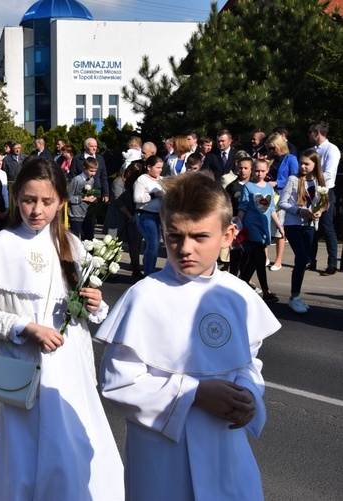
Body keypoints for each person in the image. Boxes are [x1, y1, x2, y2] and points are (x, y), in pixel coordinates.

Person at [94, 172, 281, 500]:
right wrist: (193, 393)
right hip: (166, 453)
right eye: (175, 236)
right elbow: (119, 382)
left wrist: (250, 395)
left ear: (228, 235)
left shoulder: (239, 294)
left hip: (226, 443)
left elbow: (249, 361)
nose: (185, 249)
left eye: (199, 237)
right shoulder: (145, 297)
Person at [0, 157, 123, 500]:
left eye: (47, 202)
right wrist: (26, 327)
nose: (36, 209)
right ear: (16, 197)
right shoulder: (1, 245)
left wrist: (96, 304)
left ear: (61, 203)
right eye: (28, 200)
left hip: (71, 370)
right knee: (28, 458)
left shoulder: (72, 244)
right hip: (26, 370)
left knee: (78, 450)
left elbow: (87, 311)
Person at [279, 150, 328, 314]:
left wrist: (319, 211)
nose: (303, 166)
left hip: (309, 225)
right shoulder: (294, 179)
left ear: (315, 165)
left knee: (304, 260)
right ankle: (294, 297)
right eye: (301, 163)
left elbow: (324, 203)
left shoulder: (319, 181)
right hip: (293, 224)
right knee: (300, 257)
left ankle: (296, 296)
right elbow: (282, 203)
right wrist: (299, 211)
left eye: (307, 163)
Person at [238, 159, 283, 303]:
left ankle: (242, 284)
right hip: (251, 225)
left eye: (262, 171)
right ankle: (264, 291)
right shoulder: (248, 187)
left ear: (267, 171)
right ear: (252, 170)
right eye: (257, 170)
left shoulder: (269, 187)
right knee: (259, 256)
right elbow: (243, 206)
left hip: (264, 226)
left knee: (257, 258)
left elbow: (271, 209)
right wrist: (238, 224)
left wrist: (280, 226)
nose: (259, 174)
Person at [306, 120, 340, 275]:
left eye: (310, 132)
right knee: (311, 226)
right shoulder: (312, 150)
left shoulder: (331, 150)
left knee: (327, 228)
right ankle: (310, 260)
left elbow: (328, 173)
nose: (308, 135)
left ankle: (332, 264)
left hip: (325, 191)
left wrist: (310, 177)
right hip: (311, 190)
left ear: (317, 132)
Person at [265, 133, 298, 272]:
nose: (271, 151)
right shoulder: (269, 160)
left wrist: (277, 183)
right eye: (269, 148)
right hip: (267, 194)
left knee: (279, 229)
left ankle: (278, 260)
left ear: (280, 146)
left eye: (273, 148)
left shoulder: (290, 158)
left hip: (282, 195)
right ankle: (265, 257)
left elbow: (294, 177)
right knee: (265, 226)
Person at [134, 155, 165, 276]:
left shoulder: (162, 180)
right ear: (149, 167)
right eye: (157, 167)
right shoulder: (142, 180)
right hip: (145, 215)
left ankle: (151, 270)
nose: (160, 170)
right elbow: (137, 198)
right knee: (153, 243)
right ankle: (148, 272)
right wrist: (153, 195)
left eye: (161, 168)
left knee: (155, 244)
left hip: (159, 216)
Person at [67, 157, 101, 239]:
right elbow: (68, 197)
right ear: (84, 168)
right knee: (74, 239)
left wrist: (93, 197)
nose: (93, 173)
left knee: (88, 239)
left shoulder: (91, 180)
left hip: (87, 214)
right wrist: (83, 198)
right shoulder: (77, 180)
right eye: (91, 171)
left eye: (95, 171)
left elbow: (88, 194)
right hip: (76, 214)